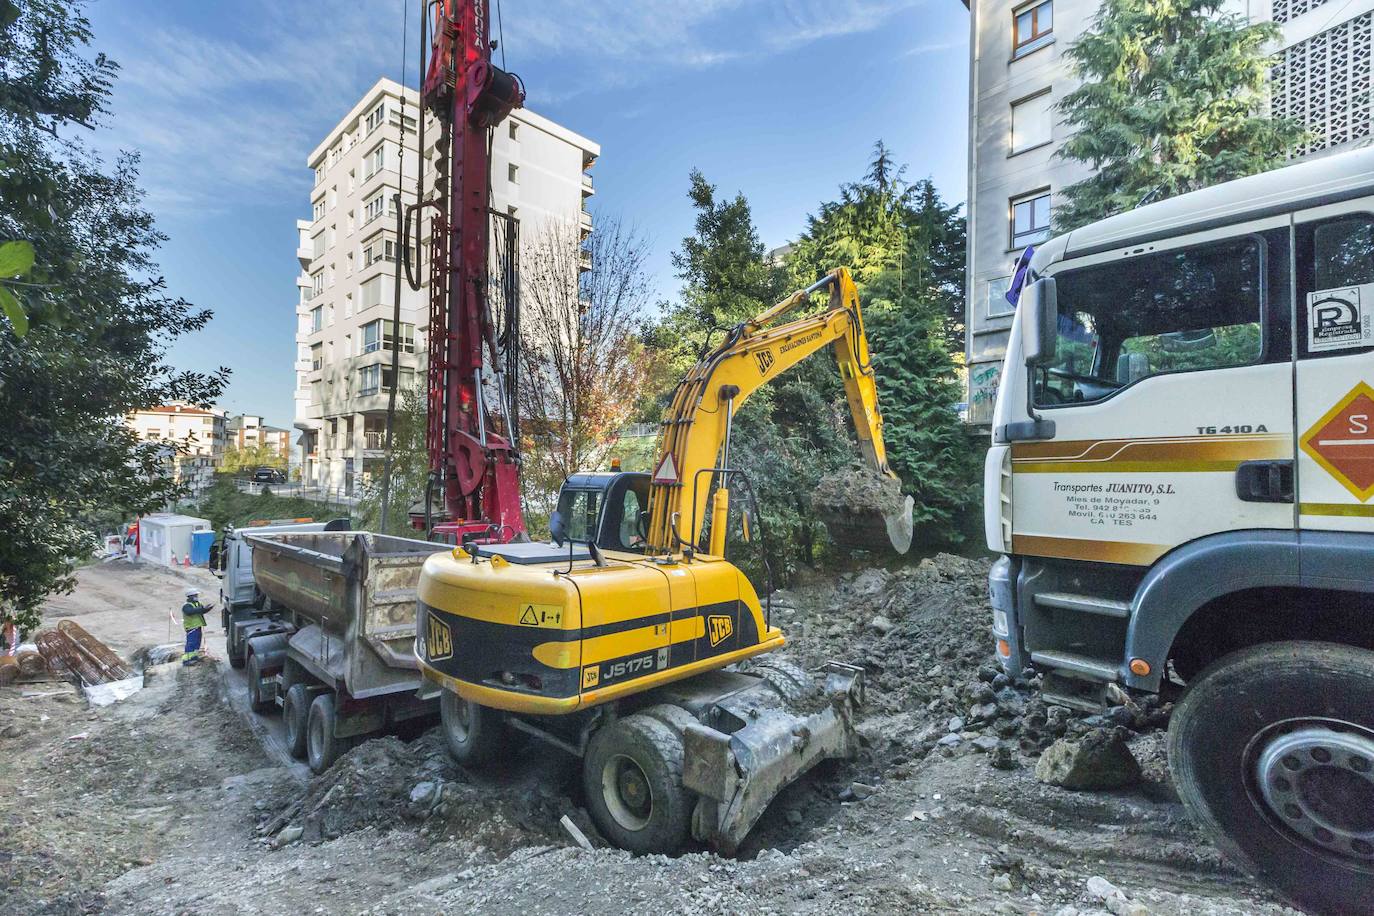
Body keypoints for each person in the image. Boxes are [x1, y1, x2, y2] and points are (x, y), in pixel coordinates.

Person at [181, 587, 210, 665]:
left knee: (197, 642)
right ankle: (186, 660)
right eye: (195, 595)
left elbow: (201, 611)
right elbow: (190, 612)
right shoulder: (186, 606)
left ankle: (194, 657)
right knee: (191, 643)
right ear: (190, 596)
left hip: (197, 627)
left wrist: (207, 609)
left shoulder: (197, 604)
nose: (196, 596)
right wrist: (201, 608)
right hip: (191, 628)